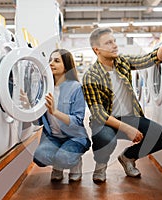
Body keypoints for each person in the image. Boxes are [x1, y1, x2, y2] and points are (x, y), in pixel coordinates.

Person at [82, 27, 162, 183]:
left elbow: (152, 58)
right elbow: (99, 114)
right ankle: (100, 165)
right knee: (105, 138)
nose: (114, 45)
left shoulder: (122, 62)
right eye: (108, 43)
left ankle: (128, 157)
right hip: (105, 122)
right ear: (97, 50)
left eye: (114, 41)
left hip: (129, 117)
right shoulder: (91, 76)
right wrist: (127, 128)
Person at [33, 49, 91, 182]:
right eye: (50, 60)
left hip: (74, 137)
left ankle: (74, 162)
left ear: (66, 66)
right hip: (53, 137)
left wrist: (55, 112)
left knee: (64, 157)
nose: (51, 63)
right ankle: (58, 165)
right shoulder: (44, 87)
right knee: (39, 157)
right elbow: (38, 122)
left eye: (57, 61)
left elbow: (77, 120)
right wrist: (29, 106)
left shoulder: (76, 88)